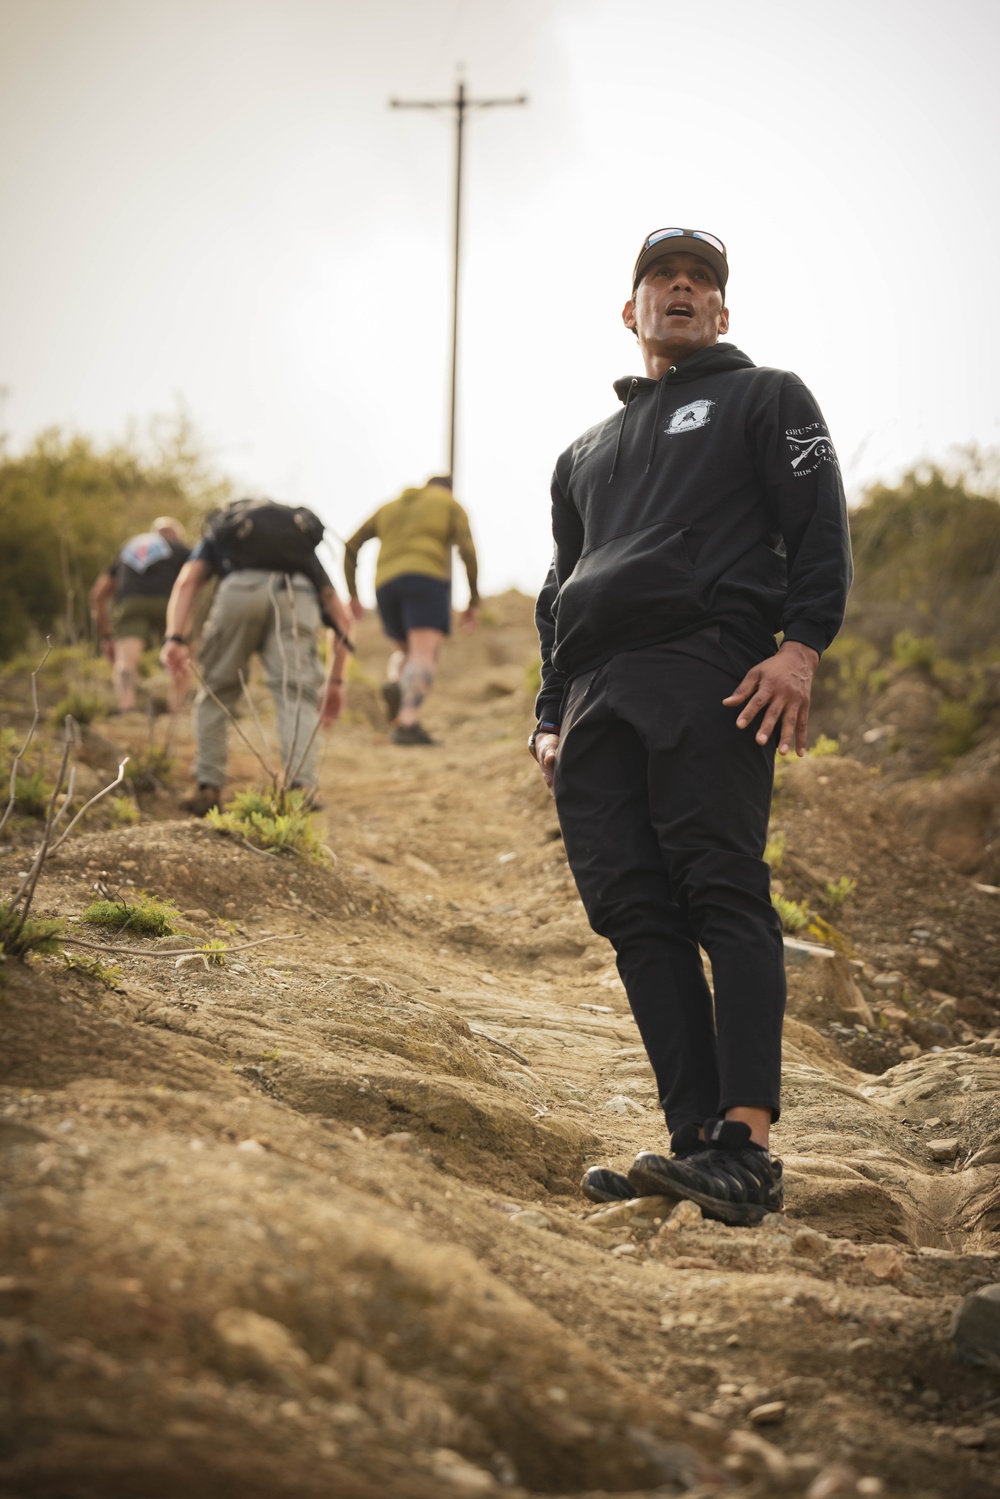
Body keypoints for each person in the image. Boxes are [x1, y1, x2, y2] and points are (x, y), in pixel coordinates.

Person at [530, 228, 852, 1225]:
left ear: (720, 313)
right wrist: (549, 712)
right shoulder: (582, 452)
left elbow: (819, 523)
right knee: (632, 910)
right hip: (595, 697)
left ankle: (746, 1142)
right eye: (661, 277)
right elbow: (556, 589)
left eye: (700, 280)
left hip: (711, 671)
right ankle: (691, 1144)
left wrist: (798, 647)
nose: (680, 287)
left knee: (720, 889)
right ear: (629, 312)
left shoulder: (765, 396)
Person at [159, 498, 355, 816]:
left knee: (217, 691)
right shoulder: (297, 548)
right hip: (296, 593)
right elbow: (342, 620)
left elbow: (188, 582)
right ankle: (299, 789)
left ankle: (208, 786)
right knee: (295, 694)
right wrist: (335, 682)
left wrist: (174, 637)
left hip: (238, 590)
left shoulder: (226, 530)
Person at [344, 476, 479, 746]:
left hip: (385, 585)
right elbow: (467, 549)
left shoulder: (389, 507)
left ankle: (396, 681)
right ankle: (407, 722)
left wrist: (353, 594)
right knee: (424, 653)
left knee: (406, 652)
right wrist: (473, 598)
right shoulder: (449, 503)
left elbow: (351, 545)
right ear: (448, 489)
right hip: (425, 580)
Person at [90, 517, 190, 711]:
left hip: (131, 604)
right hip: (169, 604)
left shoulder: (128, 548)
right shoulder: (181, 550)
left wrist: (106, 635)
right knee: (180, 655)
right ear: (177, 535)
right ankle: (175, 710)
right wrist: (187, 628)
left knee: (126, 662)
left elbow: (98, 593)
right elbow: (191, 583)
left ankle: (126, 708)